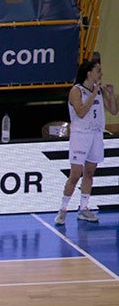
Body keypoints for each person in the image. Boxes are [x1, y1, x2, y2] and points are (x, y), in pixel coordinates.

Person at [55, 59, 117, 225]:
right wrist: (94, 91)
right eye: (98, 70)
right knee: (75, 175)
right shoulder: (76, 91)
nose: (101, 73)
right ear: (89, 73)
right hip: (80, 135)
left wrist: (110, 95)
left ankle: (83, 208)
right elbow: (81, 112)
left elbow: (113, 111)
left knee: (89, 173)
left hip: (96, 135)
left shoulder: (99, 91)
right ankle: (62, 210)